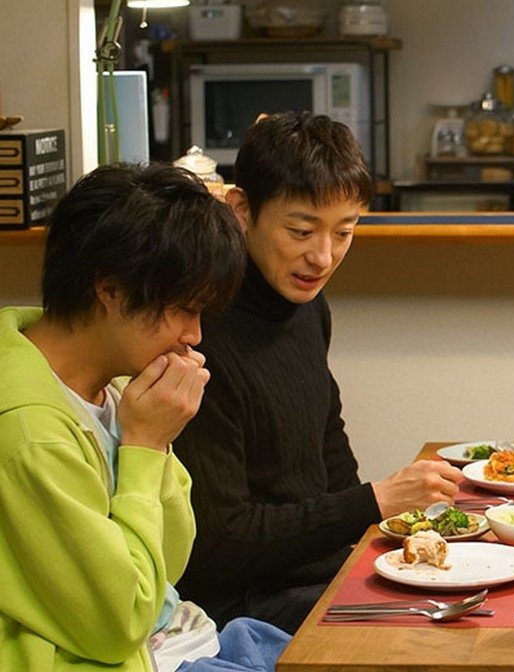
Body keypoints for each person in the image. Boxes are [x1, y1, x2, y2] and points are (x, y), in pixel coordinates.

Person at [172, 112, 464, 634]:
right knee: (437, 632)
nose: (323, 257)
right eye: (301, 231)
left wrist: (378, 531)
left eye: (344, 232)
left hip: (316, 573)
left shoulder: (307, 308)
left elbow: (327, 440)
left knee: (477, 593)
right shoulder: (201, 337)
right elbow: (220, 543)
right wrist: (372, 502)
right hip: (244, 604)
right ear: (241, 209)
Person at [0, 164, 289, 672]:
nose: (195, 335)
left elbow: (168, 566)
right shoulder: (29, 432)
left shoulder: (112, 386)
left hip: (176, 639)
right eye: (184, 309)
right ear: (110, 290)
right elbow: (120, 623)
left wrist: (155, 441)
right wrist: (145, 447)